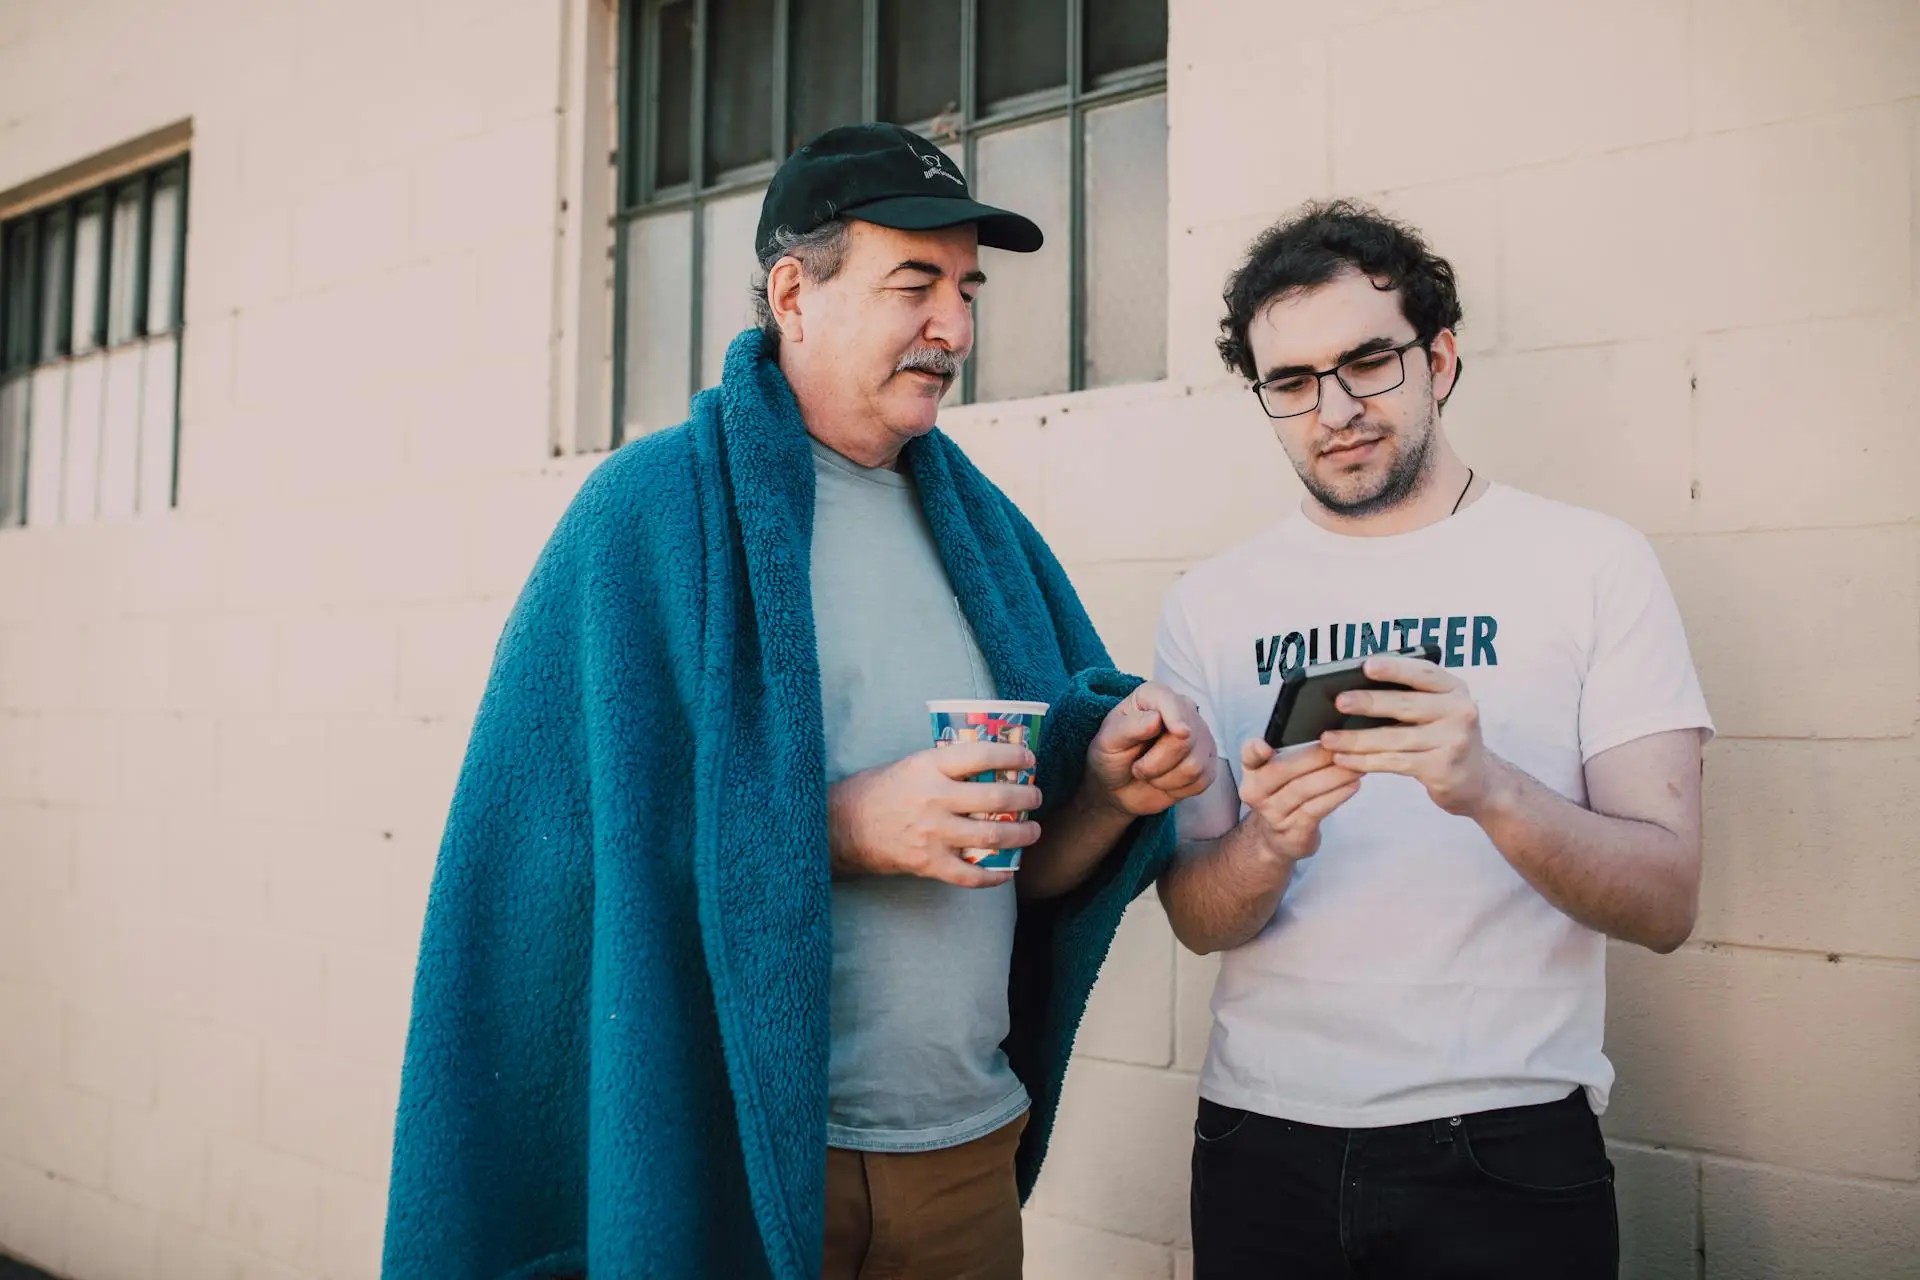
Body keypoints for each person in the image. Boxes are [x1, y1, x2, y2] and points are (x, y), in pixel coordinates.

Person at [382, 122, 1216, 1280]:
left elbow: (1029, 872)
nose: (955, 327)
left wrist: (1110, 792)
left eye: (967, 290)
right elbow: (560, 862)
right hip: (737, 1161)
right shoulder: (645, 519)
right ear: (793, 295)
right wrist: (844, 825)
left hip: (965, 1158)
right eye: (915, 284)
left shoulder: (991, 539)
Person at [1154, 200, 1713, 1279]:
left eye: (1369, 362)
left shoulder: (1592, 564)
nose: (1336, 409)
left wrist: (1488, 787)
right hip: (1258, 1139)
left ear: (1440, 358)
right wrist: (1269, 843)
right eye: (1292, 381)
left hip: (1504, 1140)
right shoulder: (1210, 603)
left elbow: (1666, 902)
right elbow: (1195, 917)